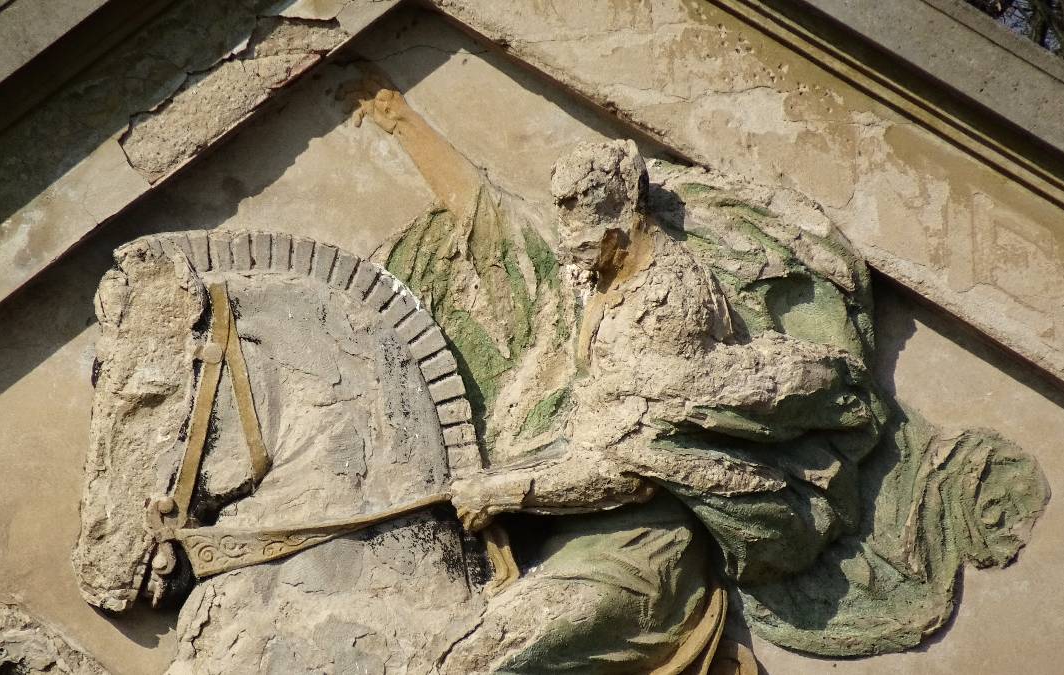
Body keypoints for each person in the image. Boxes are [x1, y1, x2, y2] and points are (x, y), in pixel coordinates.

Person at [344, 65, 883, 673]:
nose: (570, 241)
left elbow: (630, 472)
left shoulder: (667, 305)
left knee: (478, 663)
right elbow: (493, 222)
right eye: (565, 220)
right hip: (561, 519)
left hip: (640, 546)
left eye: (584, 226)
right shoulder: (598, 271)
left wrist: (502, 491)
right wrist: (401, 122)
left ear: (626, 216)